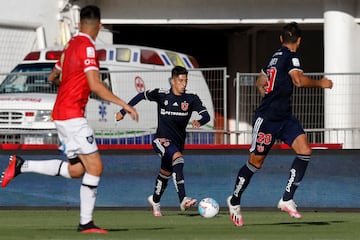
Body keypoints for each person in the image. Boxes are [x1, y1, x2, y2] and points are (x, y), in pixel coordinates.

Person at [0, 5, 138, 233]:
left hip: (62, 113)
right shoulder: (88, 47)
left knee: (77, 170)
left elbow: (53, 76)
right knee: (95, 167)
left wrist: (69, 85)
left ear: (79, 23)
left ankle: (22, 165)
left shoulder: (70, 45)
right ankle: (86, 223)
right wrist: (124, 104)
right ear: (100, 26)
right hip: (72, 115)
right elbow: (95, 84)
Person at [227, 22, 333, 227]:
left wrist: (266, 92)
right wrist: (321, 83)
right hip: (267, 120)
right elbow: (299, 81)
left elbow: (260, 81)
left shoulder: (274, 57)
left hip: (284, 117)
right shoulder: (292, 56)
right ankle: (234, 200)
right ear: (299, 41)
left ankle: (286, 199)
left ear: (281, 39)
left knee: (305, 150)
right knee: (255, 163)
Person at [116, 65, 210, 216]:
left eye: (186, 81)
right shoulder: (162, 95)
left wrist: (200, 121)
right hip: (160, 140)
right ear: (173, 81)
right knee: (178, 159)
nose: (184, 84)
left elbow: (206, 116)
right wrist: (123, 111)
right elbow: (141, 95)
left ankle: (155, 200)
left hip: (177, 143)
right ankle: (183, 199)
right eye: (180, 81)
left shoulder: (191, 99)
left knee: (165, 174)